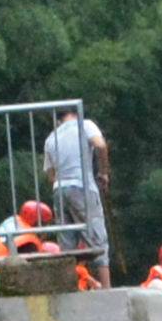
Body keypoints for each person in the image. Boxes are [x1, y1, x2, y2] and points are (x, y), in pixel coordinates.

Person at [40, 100, 113, 271]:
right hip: (82, 186)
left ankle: (71, 289)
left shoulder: (51, 137)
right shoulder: (85, 125)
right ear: (75, 114)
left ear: (58, 120)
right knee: (97, 239)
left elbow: (50, 173)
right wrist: (103, 172)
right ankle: (106, 289)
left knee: (67, 245)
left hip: (59, 190)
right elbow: (100, 145)